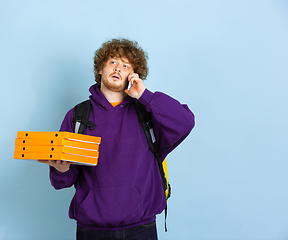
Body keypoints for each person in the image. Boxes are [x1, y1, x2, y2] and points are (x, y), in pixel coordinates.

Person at [39, 38, 195, 240]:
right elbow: (62, 182)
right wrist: (61, 169)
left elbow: (185, 122)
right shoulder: (78, 116)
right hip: (92, 230)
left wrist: (144, 95)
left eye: (125, 65)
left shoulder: (147, 113)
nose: (118, 68)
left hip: (142, 228)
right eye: (112, 62)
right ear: (100, 70)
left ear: (133, 75)